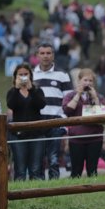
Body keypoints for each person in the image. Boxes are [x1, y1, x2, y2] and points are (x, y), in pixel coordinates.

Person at [33, 43, 73, 179]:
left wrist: (64, 122)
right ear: (37, 55)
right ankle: (37, 186)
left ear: (53, 55)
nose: (45, 56)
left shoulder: (63, 75)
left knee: (54, 158)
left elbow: (68, 101)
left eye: (48, 53)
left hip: (56, 122)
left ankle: (54, 185)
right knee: (37, 159)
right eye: (42, 53)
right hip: (37, 123)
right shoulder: (31, 75)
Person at [61, 69, 105, 178]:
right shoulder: (70, 95)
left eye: (90, 81)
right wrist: (78, 94)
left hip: (95, 138)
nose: (88, 83)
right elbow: (67, 110)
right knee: (76, 170)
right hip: (76, 139)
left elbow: (103, 115)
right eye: (85, 80)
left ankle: (93, 187)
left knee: (92, 170)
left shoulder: (99, 96)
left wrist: (95, 98)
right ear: (79, 80)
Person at [7, 64, 46, 180]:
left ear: (30, 75)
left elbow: (41, 104)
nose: (23, 76)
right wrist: (16, 89)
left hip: (37, 134)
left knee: (36, 169)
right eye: (20, 74)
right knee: (20, 170)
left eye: (26, 74)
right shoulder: (12, 92)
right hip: (18, 135)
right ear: (15, 77)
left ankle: (36, 190)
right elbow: (11, 105)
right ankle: (19, 190)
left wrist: (31, 89)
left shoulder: (37, 90)